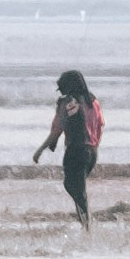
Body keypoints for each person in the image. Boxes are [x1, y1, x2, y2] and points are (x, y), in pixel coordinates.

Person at [32, 66, 102, 231]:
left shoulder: (68, 102)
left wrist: (40, 150)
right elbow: (100, 125)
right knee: (76, 187)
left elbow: (57, 129)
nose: (60, 92)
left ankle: (87, 226)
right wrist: (94, 147)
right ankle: (86, 222)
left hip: (75, 151)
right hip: (91, 152)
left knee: (74, 188)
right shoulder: (94, 101)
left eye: (61, 88)